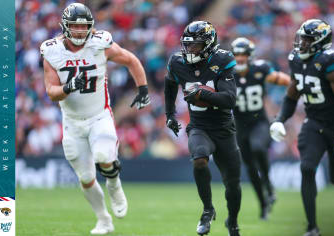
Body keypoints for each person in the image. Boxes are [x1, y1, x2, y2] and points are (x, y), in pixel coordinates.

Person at [40, 3, 150, 235]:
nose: (80, 32)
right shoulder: (51, 50)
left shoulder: (100, 44)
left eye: (84, 27)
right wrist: (69, 87)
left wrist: (143, 89)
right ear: (65, 27)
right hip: (71, 122)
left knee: (103, 155)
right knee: (86, 178)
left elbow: (130, 59)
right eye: (75, 27)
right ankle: (103, 220)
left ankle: (114, 184)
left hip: (99, 115)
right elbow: (51, 91)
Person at [269, 19, 334, 236]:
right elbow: (292, 94)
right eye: (302, 38)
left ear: (320, 42)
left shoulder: (330, 62)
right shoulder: (296, 60)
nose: (302, 43)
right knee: (307, 169)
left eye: (307, 39)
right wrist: (280, 119)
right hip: (313, 123)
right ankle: (312, 227)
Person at [164, 21, 241, 236]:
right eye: (188, 45)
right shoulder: (177, 62)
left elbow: (229, 99)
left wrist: (202, 94)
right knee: (199, 159)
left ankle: (232, 223)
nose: (190, 50)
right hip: (199, 126)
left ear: (208, 45)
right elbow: (169, 85)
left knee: (232, 185)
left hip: (224, 128)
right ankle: (207, 209)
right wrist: (169, 114)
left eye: (195, 45)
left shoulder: (222, 60)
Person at [230, 37, 290, 220]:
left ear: (250, 56)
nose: (240, 58)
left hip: (259, 121)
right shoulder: (228, 73)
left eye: (244, 54)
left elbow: (279, 78)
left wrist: (294, 83)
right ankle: (263, 204)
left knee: (258, 148)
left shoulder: (260, 68)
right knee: (249, 167)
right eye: (237, 54)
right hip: (240, 126)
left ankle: (269, 186)